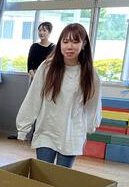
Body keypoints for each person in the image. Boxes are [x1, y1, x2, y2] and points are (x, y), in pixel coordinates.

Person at [15, 23, 101, 168]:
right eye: (65, 41)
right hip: (46, 130)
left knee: (62, 177)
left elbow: (93, 104)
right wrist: (23, 127)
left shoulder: (90, 73)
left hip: (71, 133)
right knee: (43, 174)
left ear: (84, 44)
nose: (69, 47)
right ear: (60, 43)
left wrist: (91, 125)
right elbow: (33, 98)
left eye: (75, 42)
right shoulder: (47, 67)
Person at [8, 21, 55, 139]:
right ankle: (25, 132)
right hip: (34, 79)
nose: (41, 32)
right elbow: (30, 65)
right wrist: (35, 77)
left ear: (49, 32)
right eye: (40, 30)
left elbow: (53, 66)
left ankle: (38, 134)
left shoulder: (53, 48)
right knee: (32, 106)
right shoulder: (34, 47)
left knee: (44, 108)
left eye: (44, 30)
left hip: (48, 81)